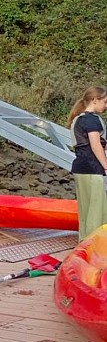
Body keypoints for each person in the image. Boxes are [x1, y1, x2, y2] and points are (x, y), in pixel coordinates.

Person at [67, 86, 107, 240]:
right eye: (104, 102)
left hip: (80, 169)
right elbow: (95, 145)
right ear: (95, 100)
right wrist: (106, 166)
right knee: (97, 212)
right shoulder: (92, 120)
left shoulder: (78, 119)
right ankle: (95, 248)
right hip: (93, 169)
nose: (106, 105)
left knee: (85, 211)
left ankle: (83, 245)